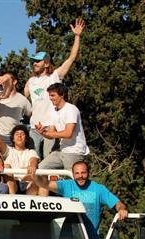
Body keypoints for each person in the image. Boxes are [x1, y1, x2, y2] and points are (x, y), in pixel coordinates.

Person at [32, 161, 128, 239]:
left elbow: (118, 203)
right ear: (73, 174)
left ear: (88, 173)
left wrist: (121, 210)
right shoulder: (67, 185)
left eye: (83, 173)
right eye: (77, 173)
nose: (80, 176)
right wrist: (33, 174)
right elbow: (45, 184)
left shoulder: (99, 189)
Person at [25, 18, 85, 159]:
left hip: (50, 128)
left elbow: (71, 58)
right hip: (34, 128)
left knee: (48, 162)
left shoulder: (55, 76)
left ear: (46, 63)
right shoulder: (31, 81)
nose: (34, 64)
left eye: (37, 61)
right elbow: (23, 101)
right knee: (34, 161)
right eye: (33, 61)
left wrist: (77, 36)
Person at [36, 83, 89, 172]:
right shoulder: (53, 112)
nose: (50, 98)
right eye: (49, 95)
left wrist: (48, 133)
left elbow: (68, 133)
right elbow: (51, 134)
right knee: (40, 169)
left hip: (75, 152)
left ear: (62, 95)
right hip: (62, 151)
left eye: (53, 95)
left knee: (72, 181)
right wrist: (42, 132)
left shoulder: (71, 109)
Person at [0, 115, 39, 195]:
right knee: (7, 166)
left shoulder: (31, 152)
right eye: (17, 134)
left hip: (28, 183)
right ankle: (12, 198)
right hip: (13, 184)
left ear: (26, 139)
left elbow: (33, 160)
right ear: (13, 139)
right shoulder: (9, 151)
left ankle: (29, 204)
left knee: (36, 179)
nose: (19, 136)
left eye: (22, 134)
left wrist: (32, 165)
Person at [0, 72, 32, 145]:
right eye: (2, 80)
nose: (4, 82)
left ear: (14, 82)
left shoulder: (22, 99)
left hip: (15, 138)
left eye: (6, 80)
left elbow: (31, 115)